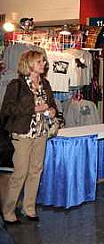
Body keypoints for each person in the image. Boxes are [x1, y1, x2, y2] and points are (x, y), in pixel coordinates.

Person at [1, 50, 56, 224]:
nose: (44, 64)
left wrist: (53, 110)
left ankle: (29, 208)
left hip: (41, 133)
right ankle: (8, 210)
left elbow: (52, 104)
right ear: (30, 64)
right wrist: (34, 108)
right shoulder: (16, 85)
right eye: (40, 61)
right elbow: (7, 110)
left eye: (43, 61)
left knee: (36, 171)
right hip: (22, 134)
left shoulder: (45, 83)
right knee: (20, 172)